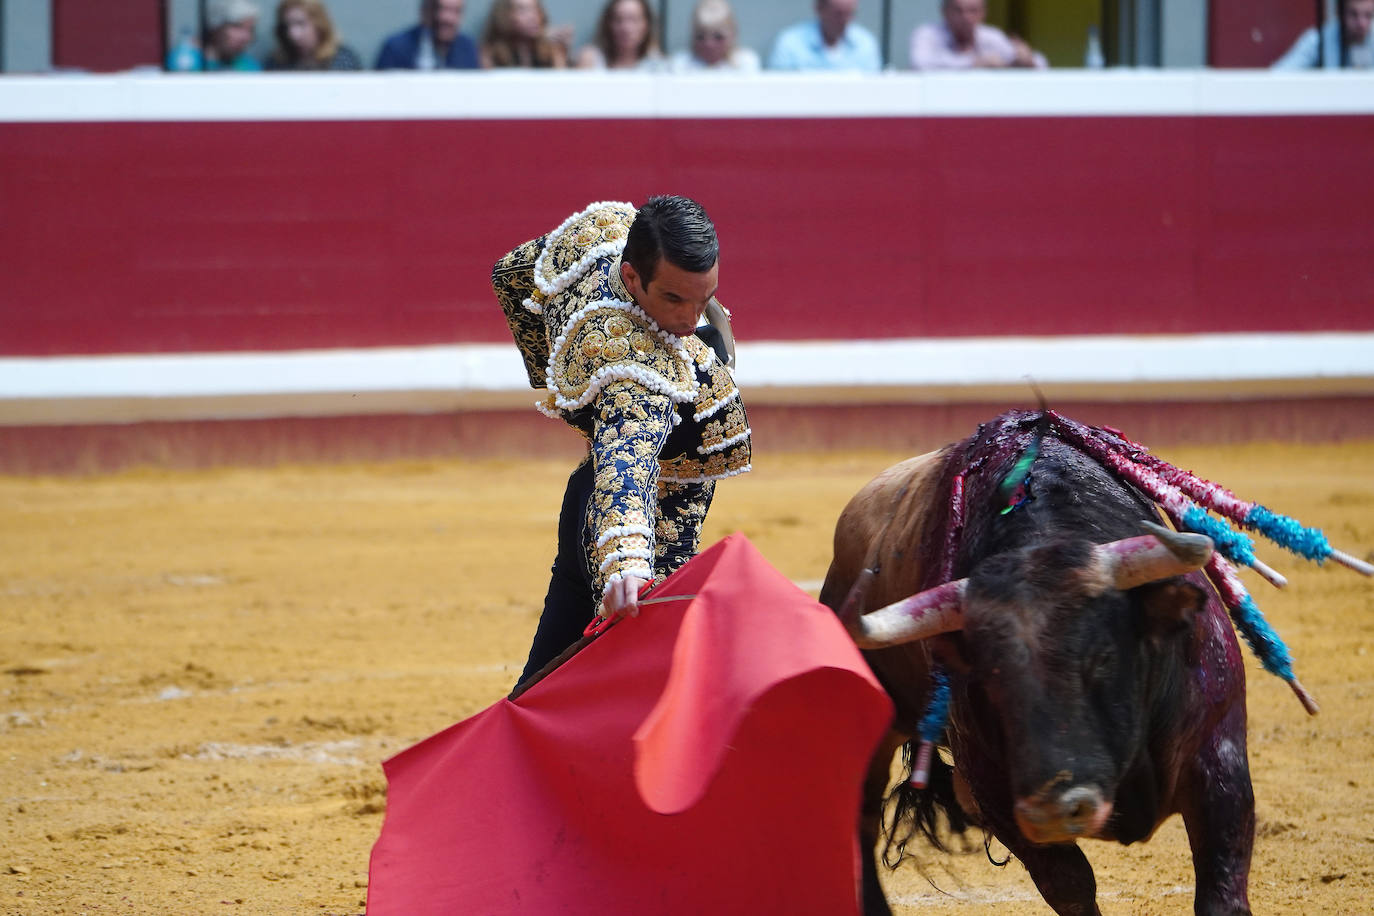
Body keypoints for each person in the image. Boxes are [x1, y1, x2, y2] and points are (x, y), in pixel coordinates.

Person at [492, 197, 751, 687]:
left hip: (586, 498)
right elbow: (626, 468)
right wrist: (628, 561)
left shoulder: (604, 235)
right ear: (632, 279)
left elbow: (511, 272)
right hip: (653, 519)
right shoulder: (634, 373)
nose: (692, 317)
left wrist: (555, 378)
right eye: (674, 299)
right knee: (644, 688)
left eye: (705, 297)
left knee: (550, 678)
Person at [910, 0, 1047, 70]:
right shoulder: (927, 34)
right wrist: (973, 63)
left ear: (983, 13)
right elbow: (920, 64)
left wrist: (1027, 61)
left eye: (973, 10)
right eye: (959, 10)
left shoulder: (991, 36)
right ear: (945, 11)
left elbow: (1042, 65)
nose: (966, 17)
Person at [767, 0, 882, 72]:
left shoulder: (865, 43)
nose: (844, 20)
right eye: (838, 14)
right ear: (819, 9)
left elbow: (873, 89)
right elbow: (780, 90)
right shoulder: (790, 43)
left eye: (850, 13)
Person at [375, 0, 479, 70]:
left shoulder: (468, 49)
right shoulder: (396, 49)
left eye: (455, 11)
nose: (447, 18)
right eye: (440, 8)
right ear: (425, 10)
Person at [1273, 0, 1374, 69]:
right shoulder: (1319, 41)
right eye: (1353, 14)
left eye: (1368, 15)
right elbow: (1279, 76)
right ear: (1340, 13)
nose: (1362, 24)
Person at [265, 0, 362, 70]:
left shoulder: (343, 59)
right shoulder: (277, 62)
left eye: (301, 23)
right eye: (287, 26)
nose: (293, 34)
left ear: (320, 24)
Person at [669, 0, 760, 72]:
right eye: (700, 37)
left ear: (733, 34)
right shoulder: (680, 64)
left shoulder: (745, 62)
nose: (709, 44)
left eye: (718, 37)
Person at [575, 0, 665, 70]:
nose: (626, 28)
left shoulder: (656, 65)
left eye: (634, 20)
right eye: (618, 20)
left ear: (646, 25)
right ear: (608, 24)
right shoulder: (591, 60)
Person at [480, 0, 570, 68]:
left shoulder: (550, 49)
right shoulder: (490, 53)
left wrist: (561, 52)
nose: (533, 17)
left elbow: (561, 86)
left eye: (536, 9)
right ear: (505, 15)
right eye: (522, 10)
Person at [203, 0, 263, 70]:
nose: (246, 37)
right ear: (216, 28)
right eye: (237, 26)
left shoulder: (250, 68)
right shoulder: (190, 63)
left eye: (251, 30)